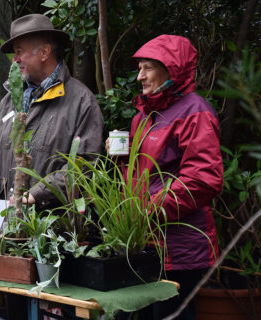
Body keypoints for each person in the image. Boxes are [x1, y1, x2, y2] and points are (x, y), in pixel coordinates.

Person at [110, 35, 223, 320]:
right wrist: (121, 161)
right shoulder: (145, 115)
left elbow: (202, 178)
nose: (140, 76)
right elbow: (146, 172)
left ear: (172, 70)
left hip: (178, 248)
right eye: (140, 68)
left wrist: (146, 210)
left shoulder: (194, 112)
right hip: (144, 243)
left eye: (148, 68)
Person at [0, 14, 104, 219]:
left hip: (54, 230)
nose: (15, 60)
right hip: (5, 225)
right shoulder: (10, 100)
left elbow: (84, 163)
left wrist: (35, 194)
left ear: (44, 52)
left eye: (19, 52)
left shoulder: (81, 101)